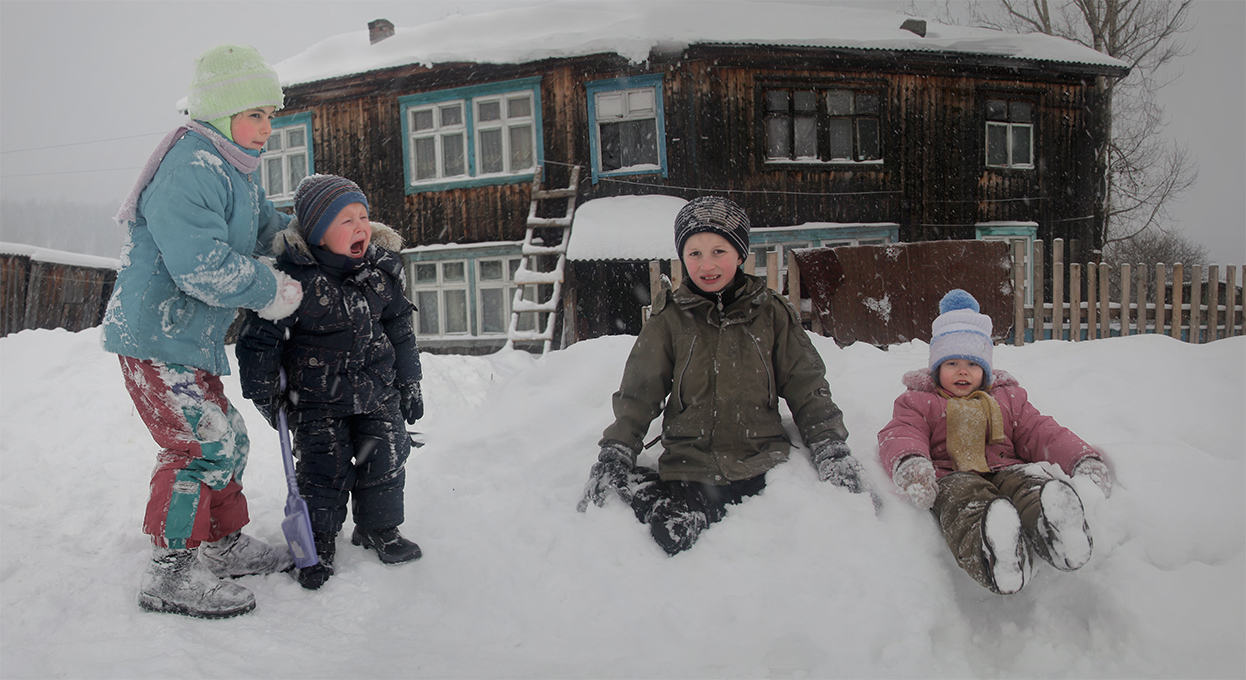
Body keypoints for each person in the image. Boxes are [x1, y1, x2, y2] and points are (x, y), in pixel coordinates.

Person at [100, 44, 304, 619]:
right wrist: (274, 293)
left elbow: (271, 230)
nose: (268, 127)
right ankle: (170, 572)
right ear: (219, 112)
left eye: (271, 114)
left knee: (228, 439)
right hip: (153, 336)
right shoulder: (191, 167)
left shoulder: (236, 172)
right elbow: (202, 265)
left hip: (187, 338)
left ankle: (223, 542)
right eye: (255, 114)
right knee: (201, 446)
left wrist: (327, 233)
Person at [578, 196, 873, 555]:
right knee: (672, 536)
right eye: (695, 253)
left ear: (740, 254)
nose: (707, 264)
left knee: (793, 545)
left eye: (719, 251)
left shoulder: (771, 314)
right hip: (689, 462)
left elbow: (806, 384)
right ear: (682, 258)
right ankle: (658, 499)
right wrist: (618, 448)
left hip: (759, 457)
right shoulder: (670, 319)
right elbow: (640, 391)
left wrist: (829, 446)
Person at [235, 173, 424, 590]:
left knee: (387, 459)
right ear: (319, 232)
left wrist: (409, 382)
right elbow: (258, 343)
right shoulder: (292, 281)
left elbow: (400, 330)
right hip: (317, 399)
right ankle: (317, 543)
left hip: (377, 390)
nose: (360, 227)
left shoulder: (381, 272)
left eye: (363, 216)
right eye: (347, 220)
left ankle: (379, 527)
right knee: (325, 471)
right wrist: (269, 397)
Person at [877, 289, 1114, 594]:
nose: (963, 371)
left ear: (986, 370)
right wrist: (912, 465)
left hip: (1007, 467)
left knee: (1030, 484)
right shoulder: (920, 401)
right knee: (967, 503)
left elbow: (1041, 431)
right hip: (954, 475)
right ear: (936, 369)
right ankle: (995, 554)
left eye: (973, 365)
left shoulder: (1006, 398)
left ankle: (1056, 529)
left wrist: (1081, 458)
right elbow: (901, 433)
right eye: (952, 364)